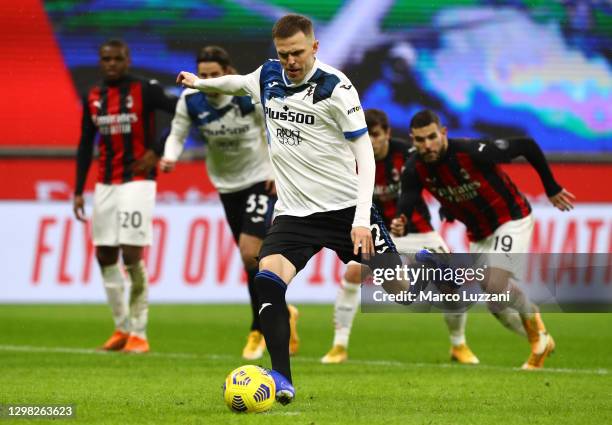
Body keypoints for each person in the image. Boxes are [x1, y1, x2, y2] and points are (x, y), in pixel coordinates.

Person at [177, 14, 409, 404]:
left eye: (298, 53)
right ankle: (282, 379)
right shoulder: (268, 76)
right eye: (284, 54)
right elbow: (238, 84)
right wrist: (201, 82)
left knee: (399, 286)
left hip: (344, 210)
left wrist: (361, 221)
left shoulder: (337, 89)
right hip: (294, 214)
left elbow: (365, 158)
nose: (291, 61)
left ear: (315, 48)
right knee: (267, 278)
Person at [396, 109, 575, 369]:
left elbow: (527, 145)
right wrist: (402, 217)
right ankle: (537, 332)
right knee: (496, 303)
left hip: (510, 219)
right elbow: (409, 197)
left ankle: (539, 340)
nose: (427, 145)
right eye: (420, 140)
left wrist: (551, 187)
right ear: (412, 140)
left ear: (443, 133)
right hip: (479, 233)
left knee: (494, 283)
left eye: (432, 137)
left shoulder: (472, 151)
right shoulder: (415, 167)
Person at [159, 46, 299, 361]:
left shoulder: (244, 96)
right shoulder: (190, 100)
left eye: (213, 75)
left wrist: (278, 170)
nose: (206, 81)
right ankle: (281, 310)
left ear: (227, 73)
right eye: (202, 75)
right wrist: (169, 156)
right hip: (226, 185)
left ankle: (259, 328)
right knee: (251, 260)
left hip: (259, 180)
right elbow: (178, 134)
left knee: (250, 253)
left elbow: (277, 129)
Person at [321, 109, 478, 365]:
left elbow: (436, 178)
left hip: (418, 230)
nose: (370, 141)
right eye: (366, 134)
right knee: (352, 274)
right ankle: (339, 346)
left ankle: (459, 345)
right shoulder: (352, 159)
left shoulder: (408, 155)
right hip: (378, 233)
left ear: (387, 134)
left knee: (451, 286)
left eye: (375, 134)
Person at [73, 39, 177, 354]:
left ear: (127, 60)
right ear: (101, 61)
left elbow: (183, 112)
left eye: (117, 59)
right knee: (104, 255)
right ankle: (121, 328)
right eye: (106, 59)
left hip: (138, 181)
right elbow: (85, 143)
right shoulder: (94, 96)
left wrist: (157, 150)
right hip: (105, 184)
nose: (112, 64)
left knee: (131, 255)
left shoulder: (145, 90)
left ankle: (139, 333)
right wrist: (78, 189)